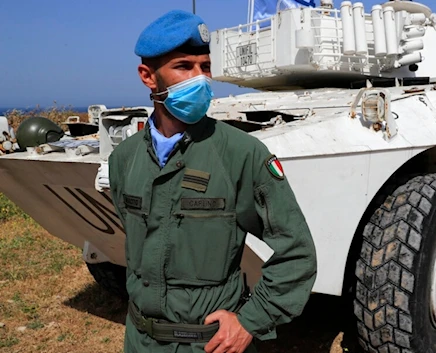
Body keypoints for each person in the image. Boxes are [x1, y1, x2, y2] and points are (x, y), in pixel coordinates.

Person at [108, 9, 318, 353]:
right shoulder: (125, 159)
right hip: (141, 341)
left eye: (204, 67)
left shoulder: (241, 154)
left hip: (211, 345)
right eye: (184, 67)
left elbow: (297, 253)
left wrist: (250, 320)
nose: (200, 79)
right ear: (148, 76)